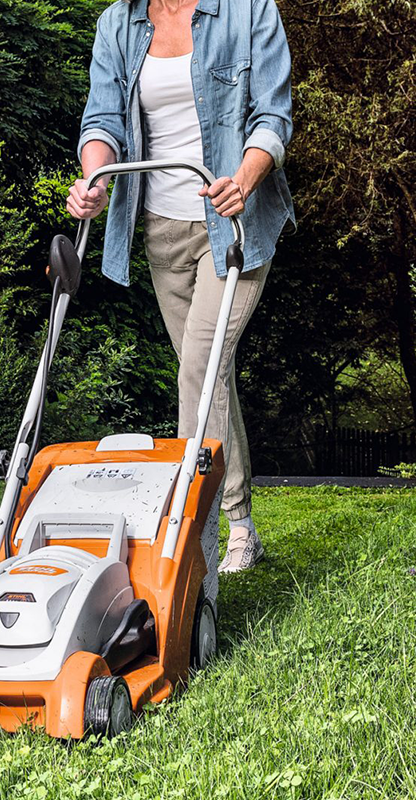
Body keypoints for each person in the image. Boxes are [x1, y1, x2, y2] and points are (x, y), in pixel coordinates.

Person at [67, 0, 295, 573]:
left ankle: (191, 533)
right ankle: (242, 525)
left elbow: (273, 116)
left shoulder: (249, 12)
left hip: (234, 224)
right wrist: (95, 179)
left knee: (199, 368)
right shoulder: (118, 24)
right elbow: (102, 122)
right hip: (161, 230)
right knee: (209, 374)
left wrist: (243, 180)